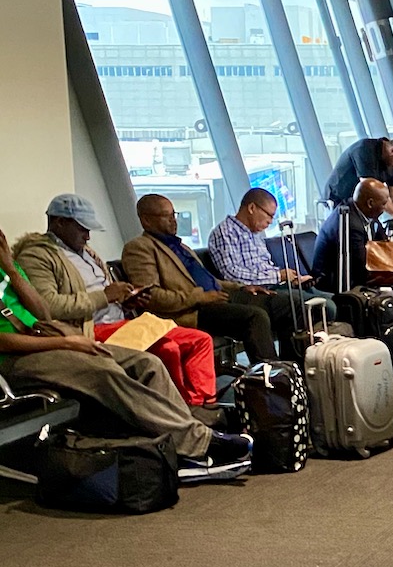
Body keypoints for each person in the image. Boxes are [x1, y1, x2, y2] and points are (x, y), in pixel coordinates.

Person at [0, 227, 251, 481]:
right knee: (103, 372)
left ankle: (178, 448)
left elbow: (43, 314)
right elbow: (3, 342)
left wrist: (10, 268)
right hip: (16, 358)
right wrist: (68, 343)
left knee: (146, 363)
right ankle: (200, 443)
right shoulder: (41, 256)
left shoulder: (9, 268)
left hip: (51, 339)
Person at [14, 194, 219, 411]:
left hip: (122, 321)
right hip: (91, 329)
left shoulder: (86, 252)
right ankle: (183, 411)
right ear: (59, 222)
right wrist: (106, 296)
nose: (88, 236)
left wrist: (127, 301)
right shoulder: (36, 256)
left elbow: (109, 295)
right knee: (167, 348)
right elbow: (49, 307)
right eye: (82, 229)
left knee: (200, 340)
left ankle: (203, 405)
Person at [123, 195, 291, 364]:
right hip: (192, 310)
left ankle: (296, 368)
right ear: (146, 220)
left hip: (218, 297)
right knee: (255, 316)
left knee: (287, 303)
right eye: (166, 216)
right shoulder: (139, 248)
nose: (173, 221)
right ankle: (273, 379)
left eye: (174, 215)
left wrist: (241, 288)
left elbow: (209, 280)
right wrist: (200, 297)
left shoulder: (181, 246)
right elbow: (151, 297)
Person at [208, 189, 316, 290]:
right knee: (322, 306)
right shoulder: (225, 233)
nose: (270, 221)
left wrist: (291, 279)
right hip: (252, 294)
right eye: (269, 215)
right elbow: (231, 274)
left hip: (273, 287)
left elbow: (265, 268)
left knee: (324, 299)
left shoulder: (256, 234)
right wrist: (278, 276)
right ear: (251, 208)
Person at [310, 178, 392, 291]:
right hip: (334, 284)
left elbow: (384, 246)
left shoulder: (365, 213)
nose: (385, 208)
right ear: (370, 203)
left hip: (353, 278)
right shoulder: (349, 223)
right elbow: (361, 266)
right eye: (383, 204)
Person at [325, 135, 393, 225]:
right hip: (339, 201)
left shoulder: (392, 163)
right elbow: (372, 192)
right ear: (392, 150)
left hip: (362, 205)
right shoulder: (364, 150)